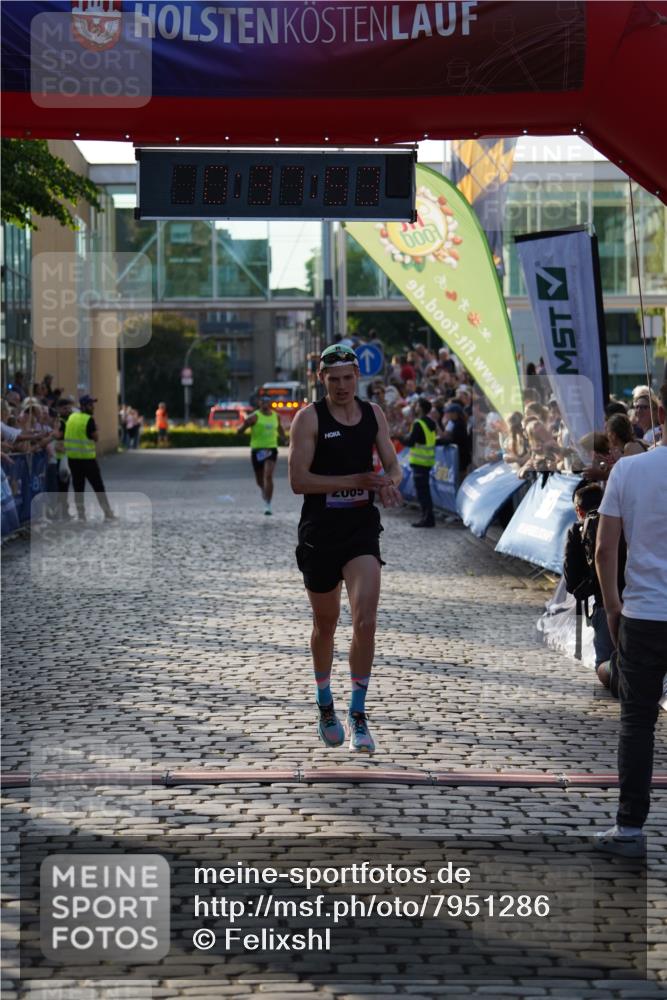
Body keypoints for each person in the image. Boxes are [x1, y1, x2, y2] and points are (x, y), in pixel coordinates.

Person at [289, 343, 403, 754]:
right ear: (322, 379)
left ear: (358, 377)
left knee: (365, 621)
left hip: (360, 529)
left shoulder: (373, 414)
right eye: (333, 379)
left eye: (348, 378)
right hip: (320, 531)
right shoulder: (308, 418)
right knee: (326, 624)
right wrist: (354, 480)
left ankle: (358, 713)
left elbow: (393, 464)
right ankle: (325, 703)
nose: (341, 386)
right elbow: (299, 481)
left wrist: (388, 481)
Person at [594, 380, 667, 857]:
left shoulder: (629, 470)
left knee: (638, 722)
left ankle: (629, 828)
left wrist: (613, 608)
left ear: (660, 411)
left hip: (643, 614)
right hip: (643, 612)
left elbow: (604, 550)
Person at [563, 483, 622, 688]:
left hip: (605, 605)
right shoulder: (625, 519)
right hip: (642, 602)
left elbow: (571, 582)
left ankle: (621, 671)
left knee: (603, 666)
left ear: (579, 511)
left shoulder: (578, 530)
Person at [64, 395, 116, 522]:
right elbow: (95, 438)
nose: (93, 407)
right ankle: (108, 513)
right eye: (90, 405)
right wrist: (96, 429)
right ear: (83, 406)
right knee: (98, 487)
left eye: (92, 404)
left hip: (73, 460)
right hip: (87, 460)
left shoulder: (71, 417)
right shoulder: (89, 419)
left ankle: (81, 515)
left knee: (78, 488)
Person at [238, 395, 287, 515]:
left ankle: (268, 504)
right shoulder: (254, 416)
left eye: (267, 402)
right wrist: (245, 425)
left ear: (270, 403)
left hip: (271, 449)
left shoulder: (276, 416)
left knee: (268, 476)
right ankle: (264, 491)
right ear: (259, 403)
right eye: (263, 402)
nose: (265, 404)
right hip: (257, 450)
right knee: (260, 481)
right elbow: (240, 431)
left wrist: (284, 439)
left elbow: (280, 429)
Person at [398, 396, 437, 528]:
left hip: (420, 463)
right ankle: (428, 517)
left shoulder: (418, 423)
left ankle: (427, 519)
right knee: (425, 492)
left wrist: (400, 437)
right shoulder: (431, 423)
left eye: (417, 405)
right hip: (427, 462)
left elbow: (410, 442)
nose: (415, 407)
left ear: (420, 408)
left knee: (422, 493)